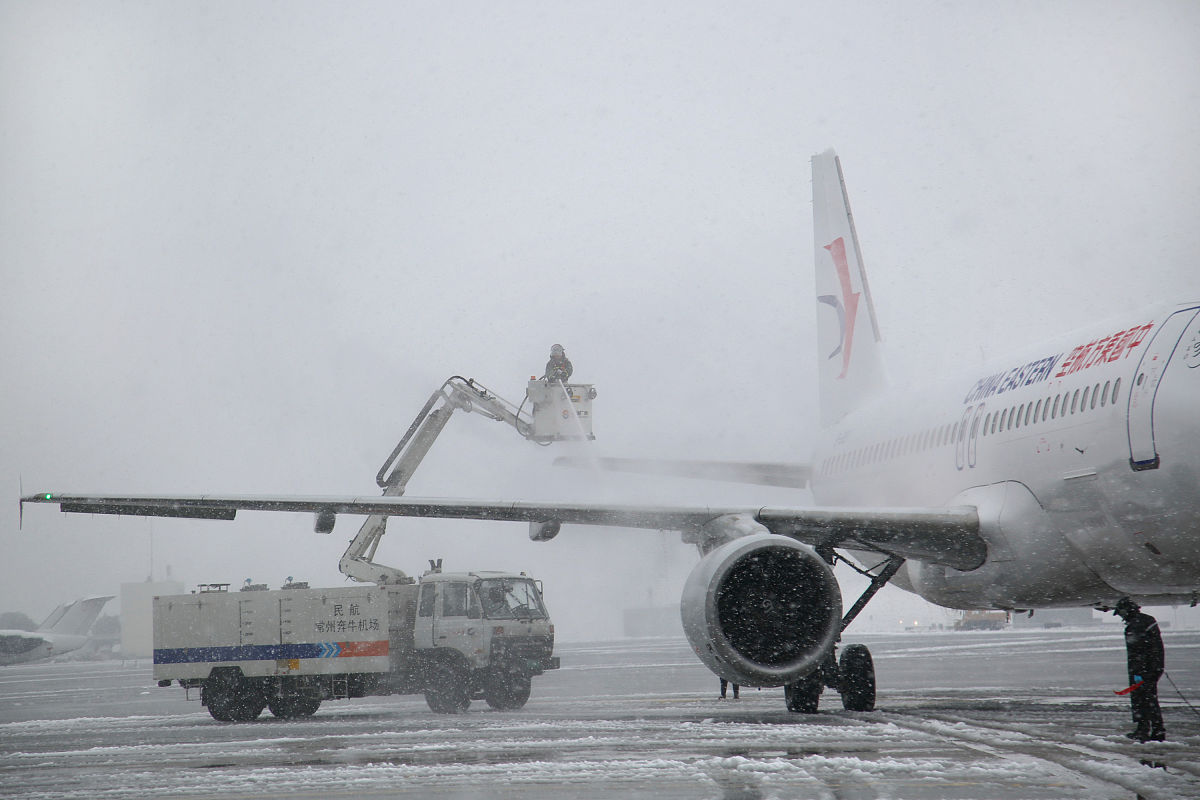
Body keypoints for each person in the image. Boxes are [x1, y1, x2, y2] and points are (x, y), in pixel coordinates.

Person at [1113, 598, 1165, 742]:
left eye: (1121, 613)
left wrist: (1138, 672)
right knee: (1149, 699)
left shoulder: (1136, 625)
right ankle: (1154, 729)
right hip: (1152, 667)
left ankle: (1147, 729)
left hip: (1142, 670)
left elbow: (1138, 651)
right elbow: (1153, 646)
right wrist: (1156, 666)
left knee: (1143, 699)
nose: (1121, 617)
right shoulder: (1147, 620)